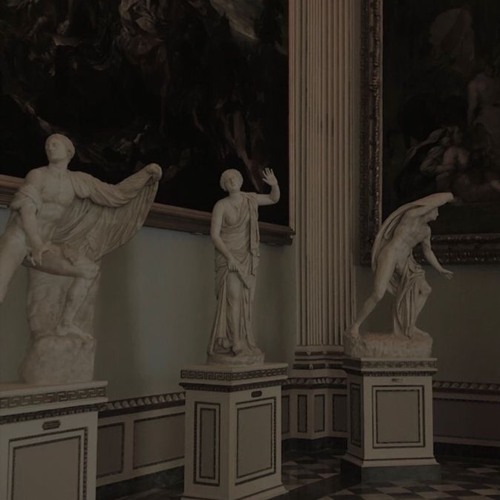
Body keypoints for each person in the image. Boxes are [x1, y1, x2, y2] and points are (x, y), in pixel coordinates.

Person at [0, 133, 162, 339]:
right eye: (48, 145)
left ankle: (65, 325)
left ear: (69, 151)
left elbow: (116, 194)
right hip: (19, 239)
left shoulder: (78, 181)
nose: (49, 147)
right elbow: (27, 210)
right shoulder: (37, 175)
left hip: (44, 244)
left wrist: (145, 174)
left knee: (89, 271)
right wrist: (36, 243)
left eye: (55, 144)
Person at [350, 192, 454, 338]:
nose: (437, 214)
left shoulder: (426, 231)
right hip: (390, 254)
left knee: (425, 290)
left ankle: (409, 326)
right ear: (429, 208)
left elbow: (428, 251)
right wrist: (448, 196)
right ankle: (355, 326)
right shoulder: (410, 217)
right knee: (378, 294)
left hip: (405, 262)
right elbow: (429, 204)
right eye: (436, 210)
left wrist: (440, 269)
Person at [207, 167, 279, 364]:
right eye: (228, 179)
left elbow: (273, 199)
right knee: (233, 297)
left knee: (246, 301)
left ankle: (244, 341)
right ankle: (235, 343)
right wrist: (229, 257)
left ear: (240, 180)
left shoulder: (250, 199)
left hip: (246, 257)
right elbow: (215, 235)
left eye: (234, 177)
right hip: (228, 256)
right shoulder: (221, 205)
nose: (232, 180)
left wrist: (274, 185)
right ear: (224, 185)